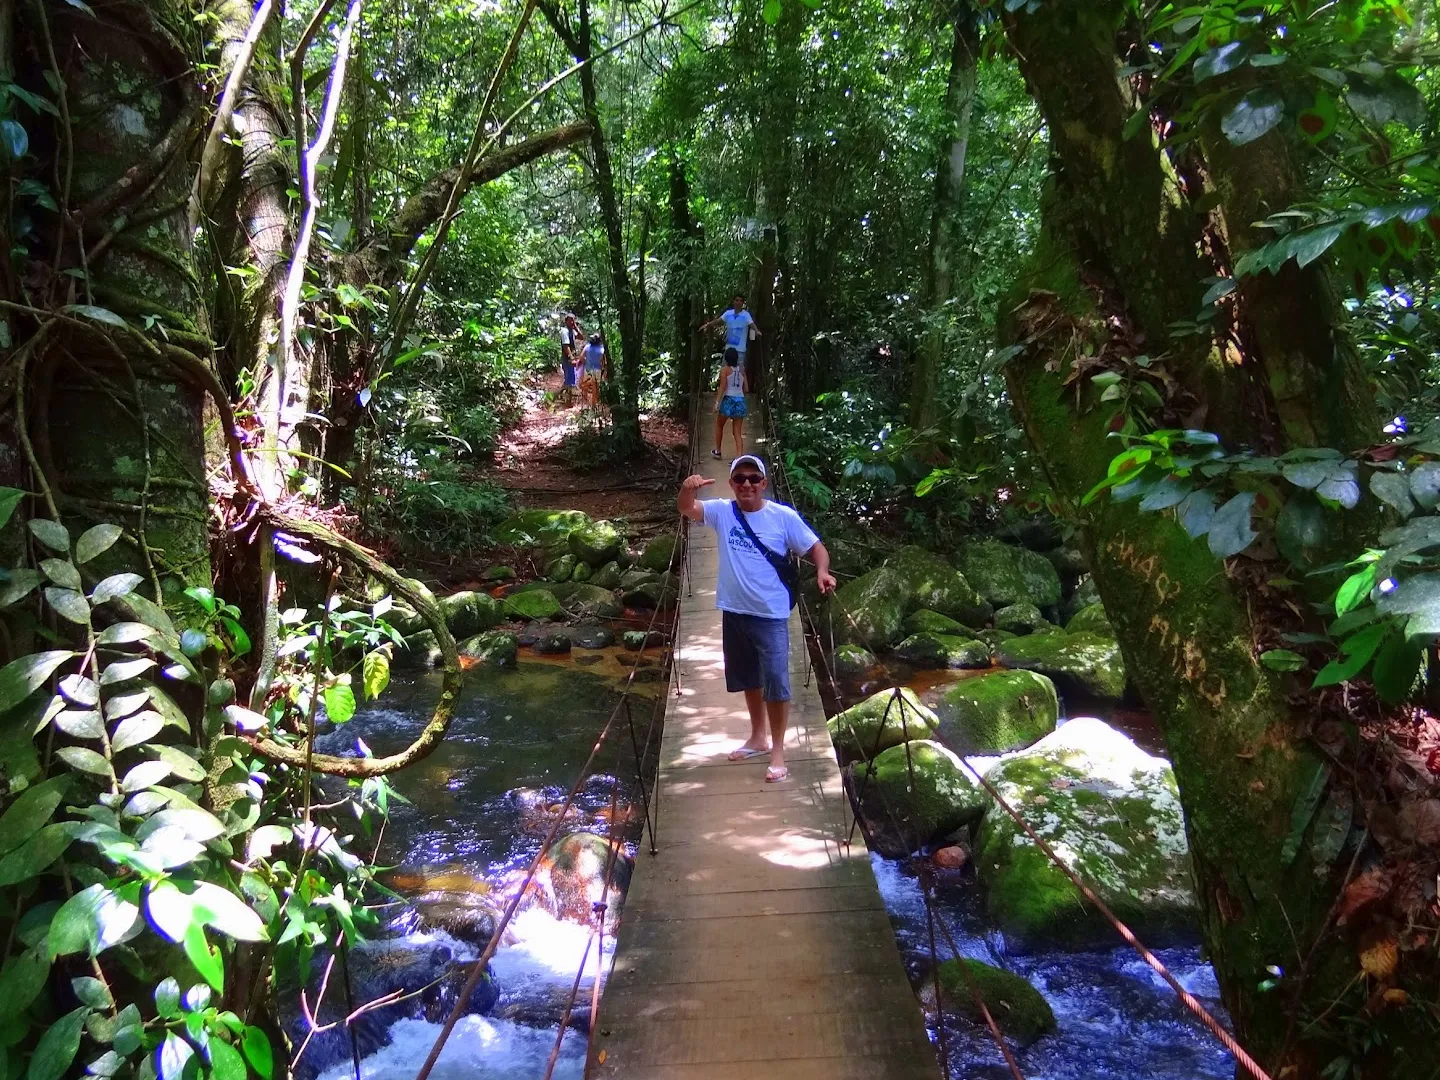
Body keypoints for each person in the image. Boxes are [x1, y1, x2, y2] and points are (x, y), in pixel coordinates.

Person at [677, 455, 836, 783]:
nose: (746, 484)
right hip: (734, 610)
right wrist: (686, 490)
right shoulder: (723, 511)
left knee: (776, 683)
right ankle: (757, 737)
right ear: (732, 483)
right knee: (749, 677)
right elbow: (687, 510)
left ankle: (777, 751)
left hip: (771, 615)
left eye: (753, 478)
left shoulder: (782, 517)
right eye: (739, 479)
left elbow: (816, 548)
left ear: (763, 483)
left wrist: (822, 571)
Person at [700, 294, 759, 378]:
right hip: (729, 348)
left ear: (743, 303)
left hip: (740, 349)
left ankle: (741, 390)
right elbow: (718, 321)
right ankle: (724, 389)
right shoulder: (728, 313)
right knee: (725, 370)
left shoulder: (746, 315)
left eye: (740, 301)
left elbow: (751, 324)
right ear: (733, 301)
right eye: (736, 300)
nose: (738, 302)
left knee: (740, 372)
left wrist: (757, 331)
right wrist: (707, 325)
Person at [711, 347, 748, 460]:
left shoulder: (725, 370)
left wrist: (717, 403)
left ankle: (718, 451)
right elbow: (746, 388)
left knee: (719, 425)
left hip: (728, 400)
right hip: (740, 400)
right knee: (737, 431)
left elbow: (722, 387)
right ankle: (739, 457)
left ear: (726, 358)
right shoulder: (742, 369)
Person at [558, 314, 583, 405]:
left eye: (573, 320)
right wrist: (571, 357)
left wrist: (576, 328)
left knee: (571, 378)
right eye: (570, 320)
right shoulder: (564, 331)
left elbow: (581, 337)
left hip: (571, 358)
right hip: (567, 359)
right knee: (570, 379)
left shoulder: (572, 331)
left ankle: (566, 399)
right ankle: (568, 401)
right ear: (566, 321)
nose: (572, 322)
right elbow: (566, 345)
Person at [580, 332, 607, 408]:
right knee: (595, 388)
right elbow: (604, 361)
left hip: (588, 368)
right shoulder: (602, 349)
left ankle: (585, 405)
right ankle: (593, 406)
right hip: (597, 370)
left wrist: (586, 362)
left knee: (585, 386)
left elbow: (581, 357)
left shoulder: (587, 346)